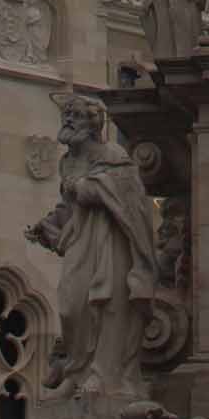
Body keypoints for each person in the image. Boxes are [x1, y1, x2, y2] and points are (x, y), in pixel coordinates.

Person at [26, 93, 157, 398]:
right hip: (80, 243)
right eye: (67, 115)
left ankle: (102, 373)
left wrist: (88, 188)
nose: (69, 120)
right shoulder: (68, 162)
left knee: (107, 303)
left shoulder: (112, 155)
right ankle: (76, 369)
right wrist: (50, 225)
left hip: (110, 243)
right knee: (73, 304)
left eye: (76, 115)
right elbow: (70, 206)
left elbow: (131, 201)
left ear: (93, 124)